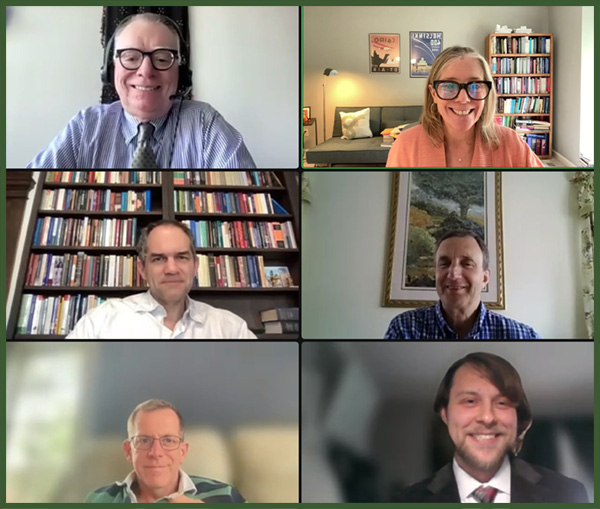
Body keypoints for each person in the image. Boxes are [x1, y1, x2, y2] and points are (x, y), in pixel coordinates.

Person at [27, 13, 255, 169]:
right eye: (131, 57)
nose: (146, 71)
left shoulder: (206, 123)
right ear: (110, 69)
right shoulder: (85, 127)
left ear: (181, 73)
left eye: (163, 58)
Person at [392, 352, 589, 503]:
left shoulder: (568, 494)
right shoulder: (405, 501)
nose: (487, 417)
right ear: (445, 414)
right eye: (470, 401)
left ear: (517, 416)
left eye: (502, 402)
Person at [66, 219, 257, 339]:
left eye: (181, 257)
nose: (171, 269)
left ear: (195, 266)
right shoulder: (102, 320)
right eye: (159, 259)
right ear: (142, 269)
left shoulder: (231, 328)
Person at [386, 46, 544, 168]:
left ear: (487, 92)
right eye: (449, 86)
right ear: (433, 94)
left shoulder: (511, 143)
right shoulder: (405, 145)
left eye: (475, 85)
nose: (463, 99)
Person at [384, 230, 539, 339]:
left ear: (485, 278)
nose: (453, 274)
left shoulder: (521, 336)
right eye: (444, 264)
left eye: (467, 264)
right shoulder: (404, 328)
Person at [85, 399, 246, 503]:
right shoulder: (98, 500)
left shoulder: (226, 496)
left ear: (182, 452)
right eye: (144, 440)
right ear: (128, 451)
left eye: (168, 440)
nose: (156, 453)